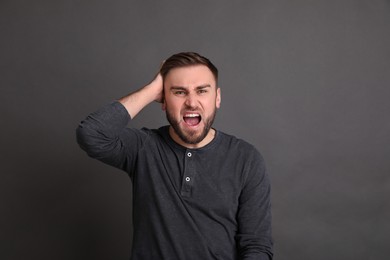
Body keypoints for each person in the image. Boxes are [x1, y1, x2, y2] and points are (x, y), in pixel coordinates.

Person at [76, 52, 273, 259]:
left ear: (217, 98)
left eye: (202, 91)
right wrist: (152, 89)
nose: (191, 102)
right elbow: (91, 134)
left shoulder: (246, 159)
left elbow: (257, 246)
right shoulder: (144, 148)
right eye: (179, 92)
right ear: (163, 100)